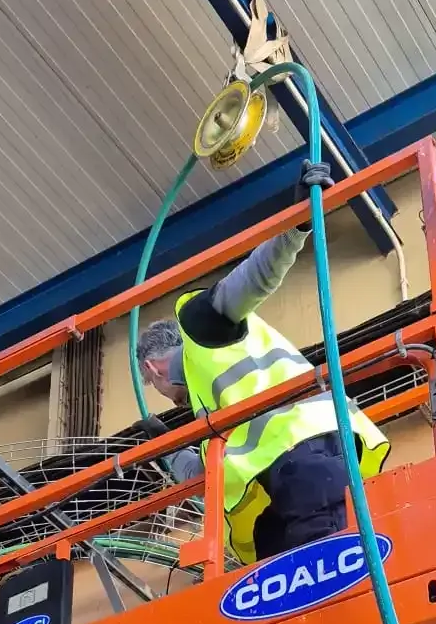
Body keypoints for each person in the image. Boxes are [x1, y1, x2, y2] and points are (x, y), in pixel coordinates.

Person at [136, 183, 390, 565]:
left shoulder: (201, 331)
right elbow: (210, 478)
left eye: (155, 388)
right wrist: (171, 451)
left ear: (151, 368)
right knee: (277, 558)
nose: (173, 400)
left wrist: (295, 228)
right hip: (293, 472)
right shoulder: (212, 399)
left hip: (305, 451)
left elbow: (249, 283)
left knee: (328, 571)